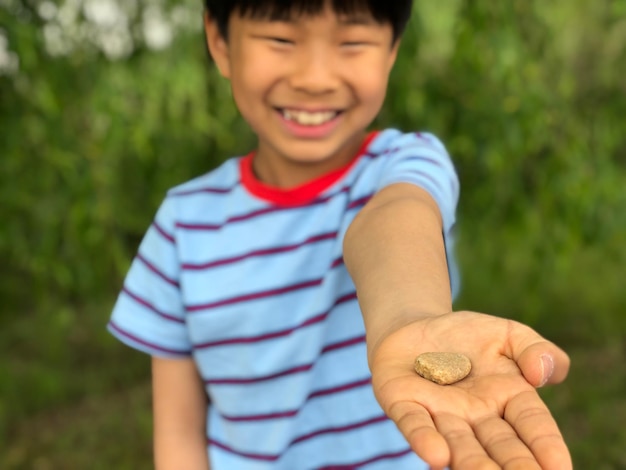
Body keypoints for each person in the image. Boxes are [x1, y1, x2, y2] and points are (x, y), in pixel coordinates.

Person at [107, 0, 572, 468]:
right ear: (219, 41)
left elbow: (395, 216)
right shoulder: (182, 224)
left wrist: (406, 319)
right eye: (281, 40)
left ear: (392, 50)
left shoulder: (407, 164)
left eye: (352, 42)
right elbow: (178, 433)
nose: (315, 78)